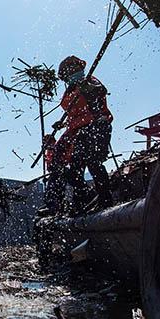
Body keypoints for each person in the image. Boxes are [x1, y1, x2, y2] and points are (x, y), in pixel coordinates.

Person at [49, 56, 114, 212]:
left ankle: (105, 200)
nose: (71, 75)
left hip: (96, 125)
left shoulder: (90, 81)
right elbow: (75, 113)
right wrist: (63, 124)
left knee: (93, 161)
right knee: (69, 166)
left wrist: (89, 90)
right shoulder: (69, 91)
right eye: (67, 73)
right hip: (77, 131)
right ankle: (81, 198)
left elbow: (100, 91)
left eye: (73, 71)